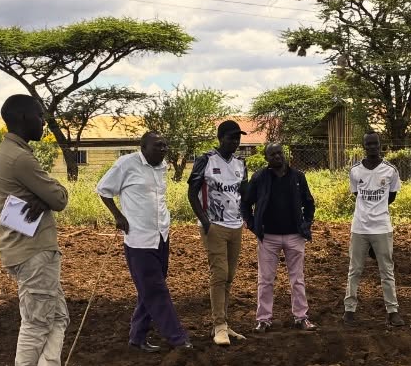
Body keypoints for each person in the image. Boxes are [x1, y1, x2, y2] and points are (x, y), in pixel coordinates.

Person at [0, 94, 70, 366]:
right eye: (39, 116)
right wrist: (49, 194)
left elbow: (48, 198)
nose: (43, 122)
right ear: (23, 118)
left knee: (58, 317)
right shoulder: (21, 159)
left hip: (27, 249)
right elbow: (60, 198)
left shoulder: (8, 153)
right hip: (33, 250)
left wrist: (45, 196)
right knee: (37, 321)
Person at [97, 131, 192, 353]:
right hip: (139, 238)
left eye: (165, 145)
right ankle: (177, 338)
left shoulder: (162, 166)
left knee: (148, 289)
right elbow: (103, 189)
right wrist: (118, 216)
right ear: (143, 147)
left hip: (161, 235)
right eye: (158, 145)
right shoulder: (126, 164)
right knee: (156, 290)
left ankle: (137, 336)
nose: (163, 149)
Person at [241, 142, 317, 331]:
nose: (277, 156)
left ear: (284, 154)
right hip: (268, 237)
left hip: (294, 236)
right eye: (272, 154)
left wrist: (306, 224)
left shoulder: (297, 177)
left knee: (297, 279)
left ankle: (301, 317)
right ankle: (263, 319)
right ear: (266, 158)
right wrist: (253, 225)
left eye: (279, 153)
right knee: (265, 279)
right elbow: (246, 203)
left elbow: (309, 203)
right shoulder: (259, 177)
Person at [188, 120, 248, 346]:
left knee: (229, 276)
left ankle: (224, 323)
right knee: (219, 274)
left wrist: (246, 217)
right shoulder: (206, 160)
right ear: (220, 138)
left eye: (238, 138)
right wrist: (205, 222)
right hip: (215, 225)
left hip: (236, 226)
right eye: (231, 138)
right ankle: (219, 325)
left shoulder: (240, 163)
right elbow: (192, 192)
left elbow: (243, 193)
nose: (235, 142)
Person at [344, 131, 405, 325]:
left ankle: (392, 310)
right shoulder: (355, 171)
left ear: (380, 145)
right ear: (364, 146)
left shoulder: (390, 170)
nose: (372, 147)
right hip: (359, 227)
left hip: (382, 227)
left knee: (387, 270)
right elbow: (357, 194)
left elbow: (391, 197)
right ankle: (349, 309)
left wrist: (377, 210)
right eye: (368, 144)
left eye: (375, 143)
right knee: (355, 269)